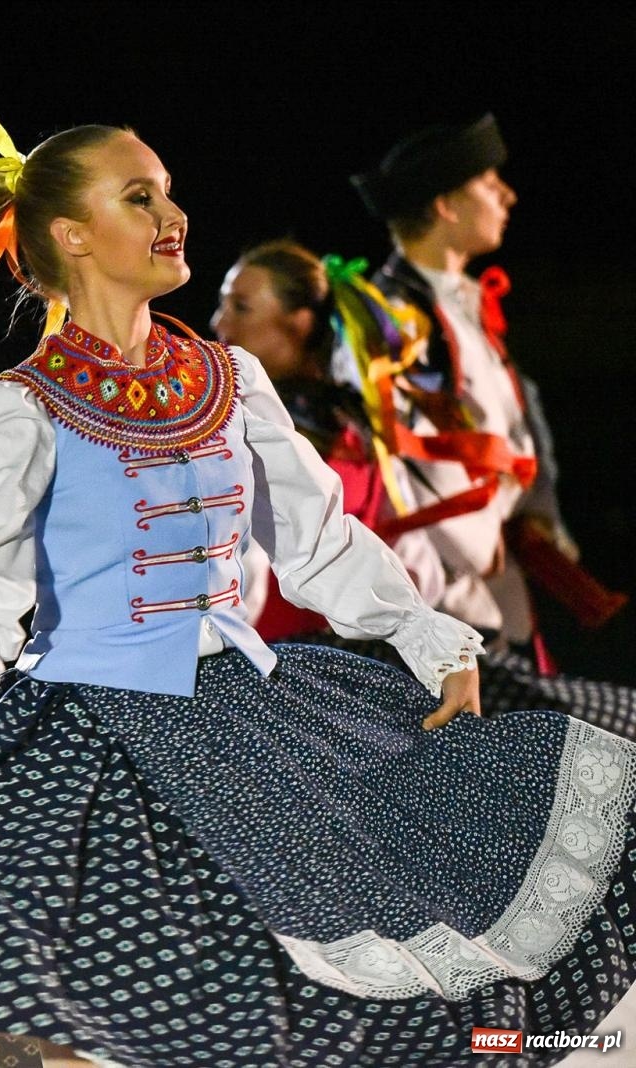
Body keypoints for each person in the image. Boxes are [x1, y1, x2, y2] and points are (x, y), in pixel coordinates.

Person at [0, 120, 636, 1066]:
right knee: (74, 1002)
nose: (171, 213)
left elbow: (317, 536)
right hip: (85, 740)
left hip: (255, 722)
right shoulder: (12, 412)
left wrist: (429, 637)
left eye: (167, 191)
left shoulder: (229, 378)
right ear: (72, 235)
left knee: (290, 1001)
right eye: (139, 197)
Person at [214, 239, 636, 739]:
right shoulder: (258, 422)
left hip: (343, 660)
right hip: (303, 672)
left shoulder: (346, 430)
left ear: (301, 322)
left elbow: (418, 550)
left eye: (240, 306)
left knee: (592, 729)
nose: (220, 322)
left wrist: (439, 627)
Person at [349, 114, 617, 662]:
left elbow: (512, 421)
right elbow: (401, 466)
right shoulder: (389, 320)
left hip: (501, 577)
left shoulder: (462, 303)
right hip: (452, 595)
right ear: (446, 205)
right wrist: (480, 555)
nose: (509, 196)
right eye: (491, 184)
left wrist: (538, 514)